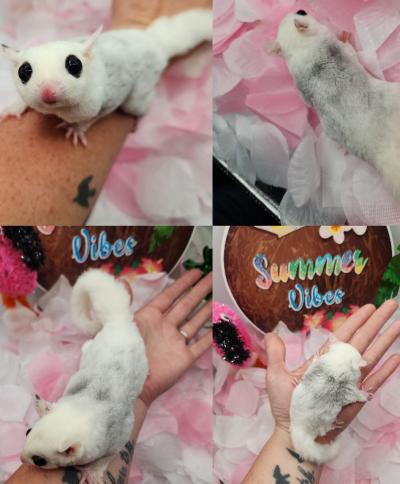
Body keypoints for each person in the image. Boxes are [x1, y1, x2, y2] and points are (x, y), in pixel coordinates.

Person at [0, 0, 210, 224]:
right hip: (128, 40)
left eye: (73, 67)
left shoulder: (92, 99)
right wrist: (20, 105)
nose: (48, 93)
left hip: (140, 58)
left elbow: (105, 106)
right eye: (26, 73)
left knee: (134, 106)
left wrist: (81, 126)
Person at [6, 268, 212, 484]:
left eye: (39, 460)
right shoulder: (92, 429)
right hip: (114, 353)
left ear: (70, 451)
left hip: (119, 352)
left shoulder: (96, 438)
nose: (22, 459)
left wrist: (98, 467)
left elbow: (118, 432)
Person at [243, 300, 400, 483]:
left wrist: (287, 431)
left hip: (316, 415)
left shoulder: (334, 369)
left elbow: (342, 388)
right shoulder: (327, 368)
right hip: (309, 414)